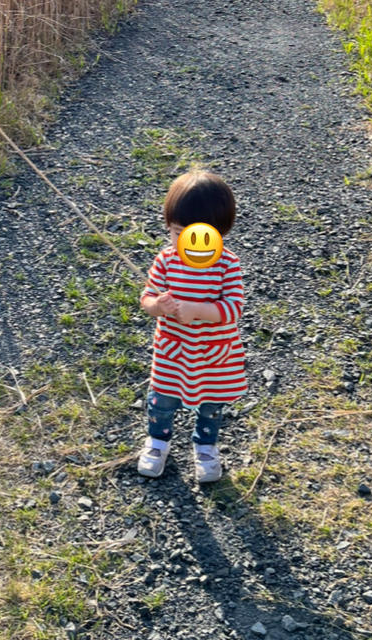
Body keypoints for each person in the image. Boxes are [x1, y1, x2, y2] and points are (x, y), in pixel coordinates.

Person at [138, 171, 247, 482]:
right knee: (162, 399)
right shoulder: (166, 261)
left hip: (213, 352)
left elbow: (233, 308)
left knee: (212, 402)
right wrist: (158, 306)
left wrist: (196, 310)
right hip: (173, 348)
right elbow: (146, 298)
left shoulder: (228, 264)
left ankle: (206, 447)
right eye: (178, 233)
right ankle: (158, 442)